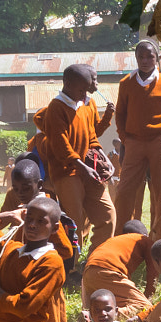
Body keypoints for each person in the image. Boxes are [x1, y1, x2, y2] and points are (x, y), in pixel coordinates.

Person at [34, 63, 116, 258]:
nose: (85, 93)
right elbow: (60, 145)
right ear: (68, 85)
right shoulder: (56, 107)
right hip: (67, 172)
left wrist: (103, 158)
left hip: (87, 169)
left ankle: (93, 261)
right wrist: (82, 167)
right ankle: (71, 266)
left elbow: (92, 137)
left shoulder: (86, 104)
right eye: (81, 89)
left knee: (108, 217)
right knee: (75, 223)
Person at [114, 38, 161, 239]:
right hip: (134, 144)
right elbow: (120, 114)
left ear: (158, 58)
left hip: (159, 143)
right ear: (136, 58)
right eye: (141, 56)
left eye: (150, 56)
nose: (145, 60)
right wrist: (125, 138)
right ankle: (123, 238)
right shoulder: (126, 83)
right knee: (124, 193)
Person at [81, 222, 154, 319]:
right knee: (145, 307)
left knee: (117, 302)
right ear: (145, 234)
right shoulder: (145, 240)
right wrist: (148, 298)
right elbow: (153, 275)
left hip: (88, 273)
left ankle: (89, 313)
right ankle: (93, 316)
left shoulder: (115, 240)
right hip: (107, 272)